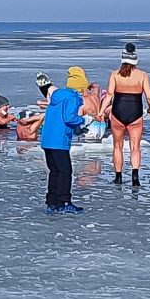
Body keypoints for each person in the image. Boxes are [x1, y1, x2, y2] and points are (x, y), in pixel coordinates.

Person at [105, 43, 150, 186]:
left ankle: (118, 177)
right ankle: (135, 178)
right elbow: (149, 97)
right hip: (135, 113)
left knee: (117, 146)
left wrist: (101, 111)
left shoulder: (115, 74)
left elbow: (109, 95)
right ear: (135, 61)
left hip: (118, 112)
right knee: (135, 147)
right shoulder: (142, 75)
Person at [39, 71, 88, 211]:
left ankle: (52, 202)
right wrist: (84, 120)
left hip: (47, 140)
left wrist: (77, 128)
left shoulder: (56, 96)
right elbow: (69, 118)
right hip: (59, 141)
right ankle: (64, 202)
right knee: (65, 172)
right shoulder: (72, 97)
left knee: (54, 171)